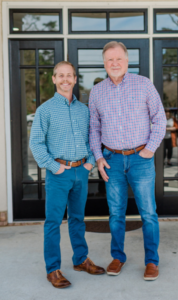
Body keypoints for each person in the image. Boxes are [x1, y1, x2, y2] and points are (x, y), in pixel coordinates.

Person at [89, 41, 166, 281]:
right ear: (104, 63)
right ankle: (118, 256)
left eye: (118, 59)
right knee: (115, 213)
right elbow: (94, 129)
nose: (114, 63)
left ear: (126, 61)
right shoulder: (97, 91)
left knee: (148, 212)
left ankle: (152, 261)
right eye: (109, 60)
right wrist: (99, 157)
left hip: (141, 159)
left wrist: (149, 150)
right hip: (112, 159)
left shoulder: (143, 84)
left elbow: (160, 119)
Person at [30, 61, 105, 289]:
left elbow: (91, 140)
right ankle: (52, 269)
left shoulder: (84, 110)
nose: (65, 79)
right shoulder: (45, 110)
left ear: (74, 79)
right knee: (53, 222)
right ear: (54, 79)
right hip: (59, 173)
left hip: (81, 172)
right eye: (60, 75)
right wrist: (55, 167)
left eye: (69, 75)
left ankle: (80, 260)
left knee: (77, 219)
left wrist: (89, 163)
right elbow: (36, 143)